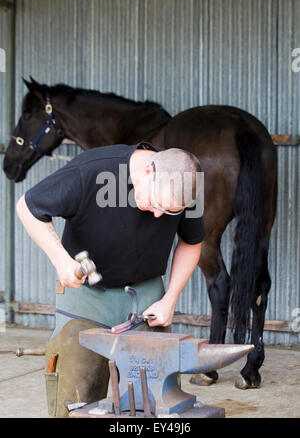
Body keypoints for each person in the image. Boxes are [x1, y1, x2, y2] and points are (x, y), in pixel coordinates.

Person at [16, 141, 205, 417]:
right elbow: (27, 206)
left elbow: (192, 242)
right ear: (149, 172)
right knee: (74, 402)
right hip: (86, 301)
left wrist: (171, 298)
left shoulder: (189, 184)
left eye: (169, 211)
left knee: (160, 408)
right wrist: (60, 259)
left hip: (147, 303)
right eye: (155, 203)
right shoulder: (92, 171)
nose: (157, 215)